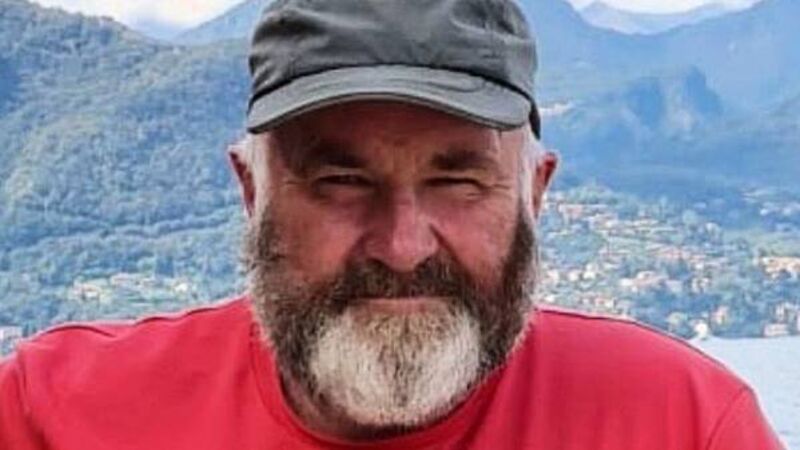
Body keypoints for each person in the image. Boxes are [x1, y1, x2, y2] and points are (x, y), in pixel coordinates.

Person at [0, 0, 784, 448]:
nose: (403, 245)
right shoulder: (52, 416)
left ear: (535, 193)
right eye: (340, 181)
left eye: (458, 181)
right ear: (251, 191)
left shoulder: (681, 426)